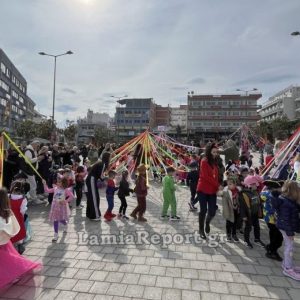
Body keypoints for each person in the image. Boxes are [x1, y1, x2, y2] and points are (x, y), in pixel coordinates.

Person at [0, 188, 41, 289]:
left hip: (2, 242)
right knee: (8, 259)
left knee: (7, 260)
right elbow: (12, 226)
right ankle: (14, 273)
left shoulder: (6, 213)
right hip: (4, 241)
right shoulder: (7, 212)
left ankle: (14, 274)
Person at [272, 180, 300, 280]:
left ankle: (287, 264)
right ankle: (288, 268)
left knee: (289, 247)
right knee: (289, 247)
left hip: (286, 227)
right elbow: (285, 219)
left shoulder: (287, 200)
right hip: (286, 228)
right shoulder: (286, 203)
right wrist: (290, 232)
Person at [197, 143, 220, 239]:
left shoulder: (215, 161)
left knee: (212, 211)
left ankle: (207, 222)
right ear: (209, 151)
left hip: (212, 190)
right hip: (202, 189)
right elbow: (205, 176)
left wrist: (219, 185)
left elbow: (216, 175)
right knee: (203, 210)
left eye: (216, 152)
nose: (215, 154)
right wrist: (217, 185)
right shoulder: (204, 161)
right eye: (213, 152)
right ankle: (201, 229)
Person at [43, 177, 74, 242]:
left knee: (61, 219)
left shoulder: (66, 190)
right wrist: (44, 184)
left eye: (59, 182)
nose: (57, 183)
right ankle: (56, 235)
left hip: (62, 207)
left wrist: (65, 201)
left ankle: (65, 224)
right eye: (57, 182)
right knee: (55, 220)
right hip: (54, 206)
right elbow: (47, 190)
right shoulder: (55, 188)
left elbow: (72, 196)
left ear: (63, 183)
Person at [260, 179, 284, 261]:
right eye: (281, 187)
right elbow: (261, 196)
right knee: (278, 237)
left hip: (271, 219)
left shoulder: (271, 194)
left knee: (274, 234)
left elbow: (261, 195)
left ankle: (270, 247)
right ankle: (271, 251)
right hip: (272, 219)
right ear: (275, 188)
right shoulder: (271, 195)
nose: (282, 189)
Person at [239, 175, 266, 248]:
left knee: (257, 227)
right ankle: (246, 240)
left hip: (255, 213)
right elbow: (242, 207)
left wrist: (263, 200)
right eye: (254, 184)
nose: (256, 185)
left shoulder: (255, 192)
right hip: (248, 215)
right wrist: (243, 216)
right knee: (248, 227)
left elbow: (258, 200)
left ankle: (257, 239)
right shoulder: (244, 194)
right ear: (249, 185)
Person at [86, 152, 111, 221]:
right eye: (110, 157)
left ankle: (89, 214)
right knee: (94, 198)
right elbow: (101, 176)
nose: (110, 158)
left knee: (92, 197)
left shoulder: (101, 162)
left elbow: (99, 174)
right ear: (107, 158)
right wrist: (106, 178)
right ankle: (95, 216)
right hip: (92, 180)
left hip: (91, 179)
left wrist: (104, 177)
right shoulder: (103, 164)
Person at [9, 180, 30, 254]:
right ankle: (19, 246)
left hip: (9, 216)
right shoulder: (23, 198)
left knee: (10, 230)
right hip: (18, 217)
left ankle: (10, 247)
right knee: (19, 230)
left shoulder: (8, 196)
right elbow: (23, 210)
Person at [21, 140, 44, 205]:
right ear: (33, 144)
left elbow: (34, 160)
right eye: (37, 145)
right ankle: (34, 199)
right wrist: (37, 158)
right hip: (28, 171)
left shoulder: (33, 150)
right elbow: (28, 161)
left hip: (30, 171)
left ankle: (31, 197)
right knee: (33, 185)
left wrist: (38, 159)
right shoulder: (28, 150)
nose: (38, 147)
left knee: (31, 185)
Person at [222, 176, 240, 242]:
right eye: (228, 184)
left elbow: (240, 200)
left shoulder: (238, 191)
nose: (228, 185)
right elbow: (224, 202)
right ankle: (228, 234)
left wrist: (238, 206)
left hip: (236, 209)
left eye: (230, 184)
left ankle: (234, 234)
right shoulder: (226, 191)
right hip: (229, 210)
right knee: (228, 222)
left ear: (235, 184)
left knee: (235, 222)